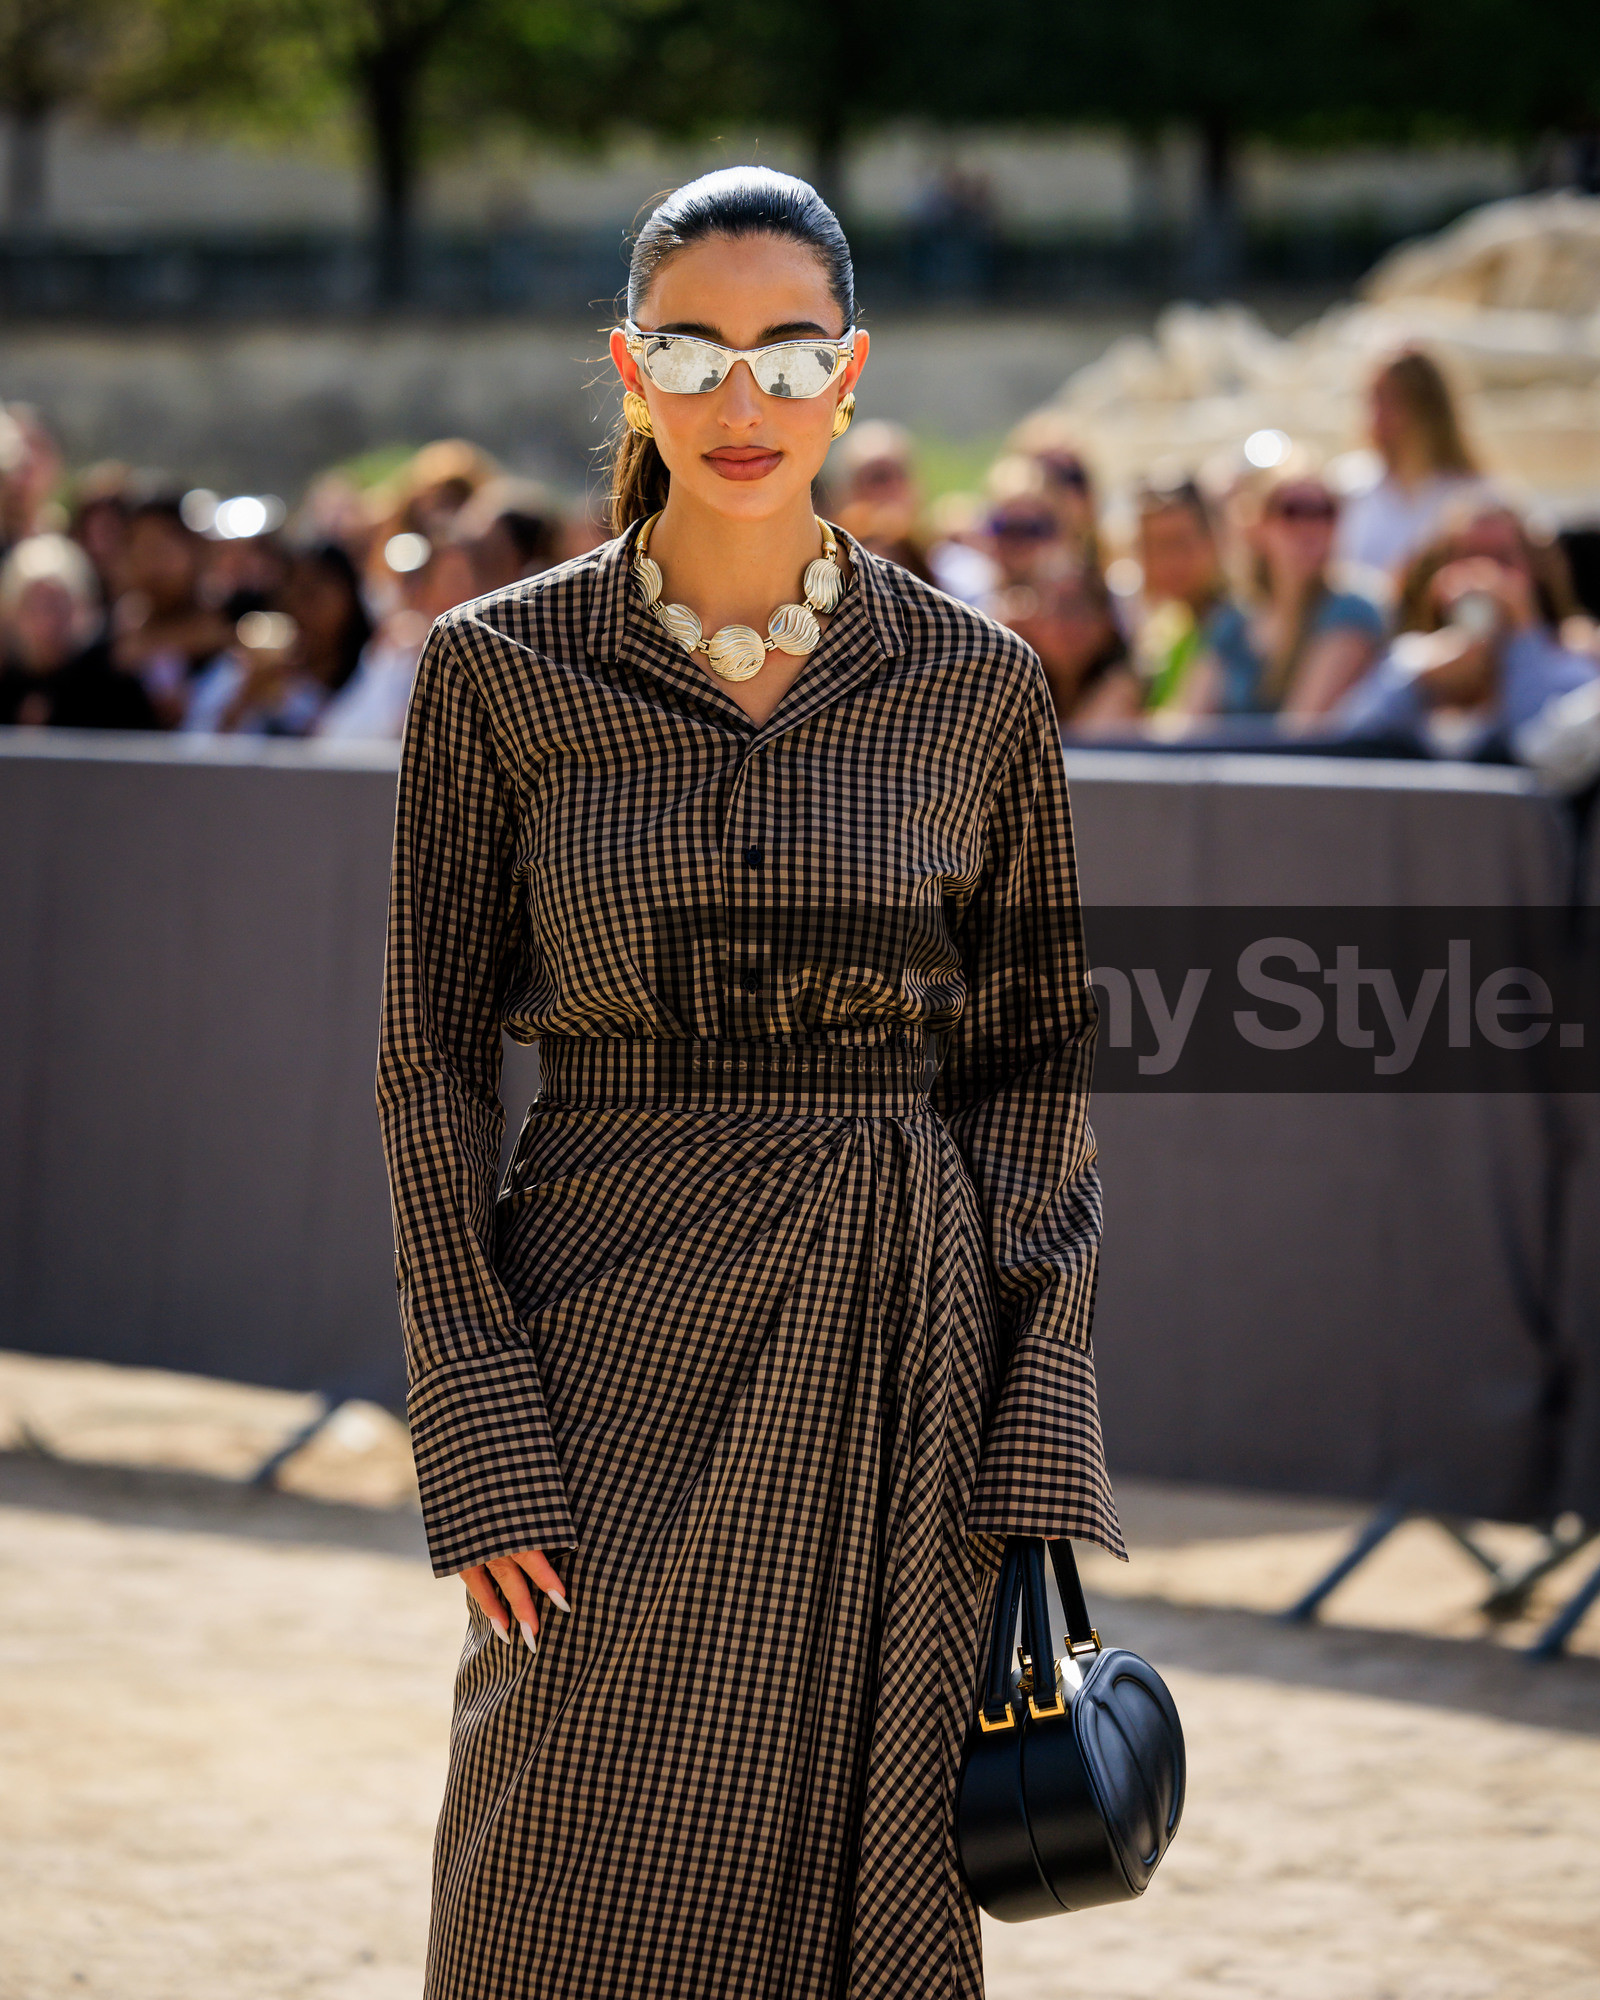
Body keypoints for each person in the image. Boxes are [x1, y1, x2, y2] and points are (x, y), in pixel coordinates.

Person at [376, 165, 1123, 2000]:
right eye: (694, 349)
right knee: (545, 1864)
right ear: (628, 367)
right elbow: (428, 1065)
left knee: (862, 1877)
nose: (742, 397)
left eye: (789, 353)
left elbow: (1035, 1067)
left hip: (896, 1342)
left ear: (849, 378)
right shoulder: (497, 671)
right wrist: (473, 1418)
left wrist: (1039, 1417)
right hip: (598, 1331)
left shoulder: (976, 685)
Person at [1337, 499, 1597, 758]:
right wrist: (1415, 675)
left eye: (1502, 559)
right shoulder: (1413, 657)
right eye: (1467, 557)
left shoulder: (1570, 664)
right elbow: (1350, 744)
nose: (1483, 577)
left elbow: (1543, 747)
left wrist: (1523, 638)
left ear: (1535, 573)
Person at [1177, 464, 1386, 719]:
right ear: (1258, 525)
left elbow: (1302, 729)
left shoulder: (1352, 611)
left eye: (1324, 511)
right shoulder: (1232, 620)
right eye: (1292, 511)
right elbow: (1188, 723)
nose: (1310, 525)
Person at [1336, 349, 1485, 587]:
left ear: (1428, 408)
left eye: (1392, 400)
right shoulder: (1346, 486)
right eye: (1374, 399)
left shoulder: (1476, 496)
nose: (1378, 414)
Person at [0, 533, 157, 730]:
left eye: (56, 605)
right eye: (34, 606)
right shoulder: (6, 682)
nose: (47, 620)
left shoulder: (110, 680)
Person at [1127, 474, 1252, 716]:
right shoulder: (1161, 630)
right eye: (1154, 546)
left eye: (1179, 543)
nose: (1167, 561)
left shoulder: (1234, 626)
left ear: (1214, 540)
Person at [996, 564, 1143, 730]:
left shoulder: (1124, 688)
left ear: (1106, 621)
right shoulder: (1016, 682)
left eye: (1074, 609)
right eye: (1047, 607)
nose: (1059, 624)